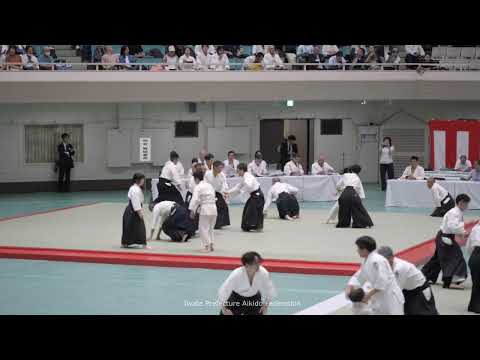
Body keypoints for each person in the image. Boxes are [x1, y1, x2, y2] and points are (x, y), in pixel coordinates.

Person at [422, 194, 471, 289]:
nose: (467, 206)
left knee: (438, 259)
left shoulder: (456, 212)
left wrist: (462, 233)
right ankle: (449, 282)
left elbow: (453, 227)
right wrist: (463, 232)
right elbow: (453, 226)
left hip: (443, 237)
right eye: (466, 204)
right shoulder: (455, 213)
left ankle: (425, 277)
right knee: (454, 257)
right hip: (445, 238)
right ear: (461, 203)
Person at [346, 236, 404, 315]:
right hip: (380, 297)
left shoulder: (378, 260)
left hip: (390, 297)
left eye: (358, 248)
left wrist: (367, 296)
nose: (357, 251)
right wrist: (350, 287)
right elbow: (359, 276)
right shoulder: (367, 260)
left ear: (365, 249)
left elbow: (382, 282)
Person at [377, 246, 439, 315]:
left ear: (392, 257)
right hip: (406, 290)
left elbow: (395, 291)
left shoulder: (400, 268)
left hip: (419, 291)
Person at [226, 163, 265, 232]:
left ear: (242, 170)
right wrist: (228, 192)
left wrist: (242, 191)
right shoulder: (244, 177)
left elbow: (248, 185)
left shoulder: (248, 176)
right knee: (249, 210)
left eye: (238, 170)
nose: (237, 172)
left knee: (252, 212)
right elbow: (238, 187)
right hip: (254, 195)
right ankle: (255, 226)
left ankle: (257, 227)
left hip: (257, 195)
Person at [188, 170, 217, 252]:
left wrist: (192, 210)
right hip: (214, 208)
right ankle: (211, 244)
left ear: (196, 179)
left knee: (202, 228)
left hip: (205, 209)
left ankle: (207, 246)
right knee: (211, 228)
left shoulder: (198, 187)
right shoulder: (209, 185)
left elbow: (195, 199)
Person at [122, 173, 149, 249]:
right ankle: (143, 244)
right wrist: (139, 213)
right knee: (138, 227)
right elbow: (135, 202)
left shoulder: (135, 188)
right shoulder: (135, 189)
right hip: (133, 210)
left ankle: (126, 243)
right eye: (142, 179)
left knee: (131, 227)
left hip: (131, 210)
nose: (143, 181)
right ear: (138, 180)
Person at [205, 161, 231, 229]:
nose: (221, 169)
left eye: (222, 168)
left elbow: (224, 184)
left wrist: (225, 191)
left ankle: (219, 223)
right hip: (209, 193)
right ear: (214, 167)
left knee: (223, 206)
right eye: (219, 168)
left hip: (218, 193)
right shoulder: (207, 174)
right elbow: (205, 184)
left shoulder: (222, 174)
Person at [466, 222, 480, 313]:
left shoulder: (475, 228)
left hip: (475, 256)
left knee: (476, 283)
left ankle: (473, 305)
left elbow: (469, 247)